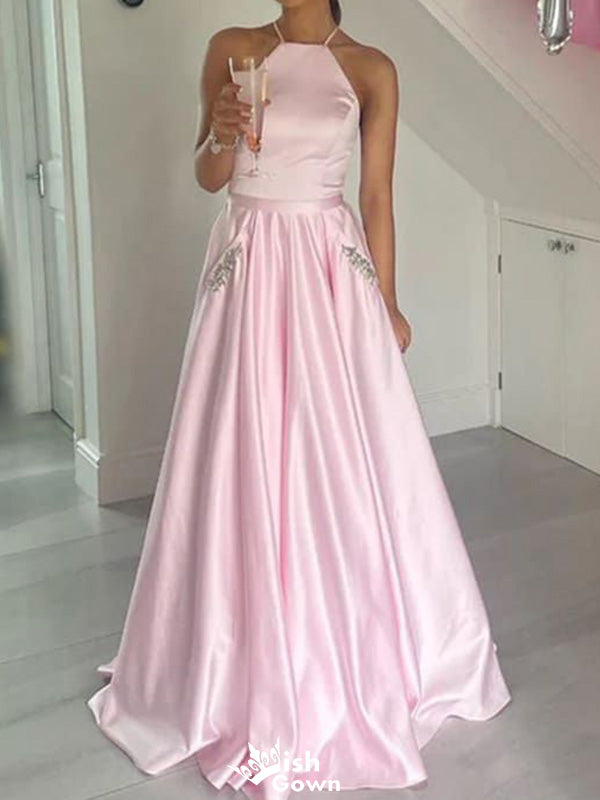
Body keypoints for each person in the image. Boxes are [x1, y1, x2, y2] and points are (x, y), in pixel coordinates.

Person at [87, 2, 512, 798]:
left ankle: (353, 641)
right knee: (238, 450)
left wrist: (387, 301)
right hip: (248, 263)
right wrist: (220, 131)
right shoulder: (234, 46)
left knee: (337, 455)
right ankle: (226, 651)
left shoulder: (371, 68)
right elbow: (209, 174)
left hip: (327, 269)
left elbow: (376, 196)